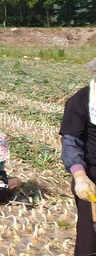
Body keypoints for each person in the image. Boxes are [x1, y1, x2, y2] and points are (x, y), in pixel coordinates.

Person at [59, 58, 96, 255]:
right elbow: (71, 141)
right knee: (89, 237)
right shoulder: (81, 101)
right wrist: (80, 176)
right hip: (91, 178)